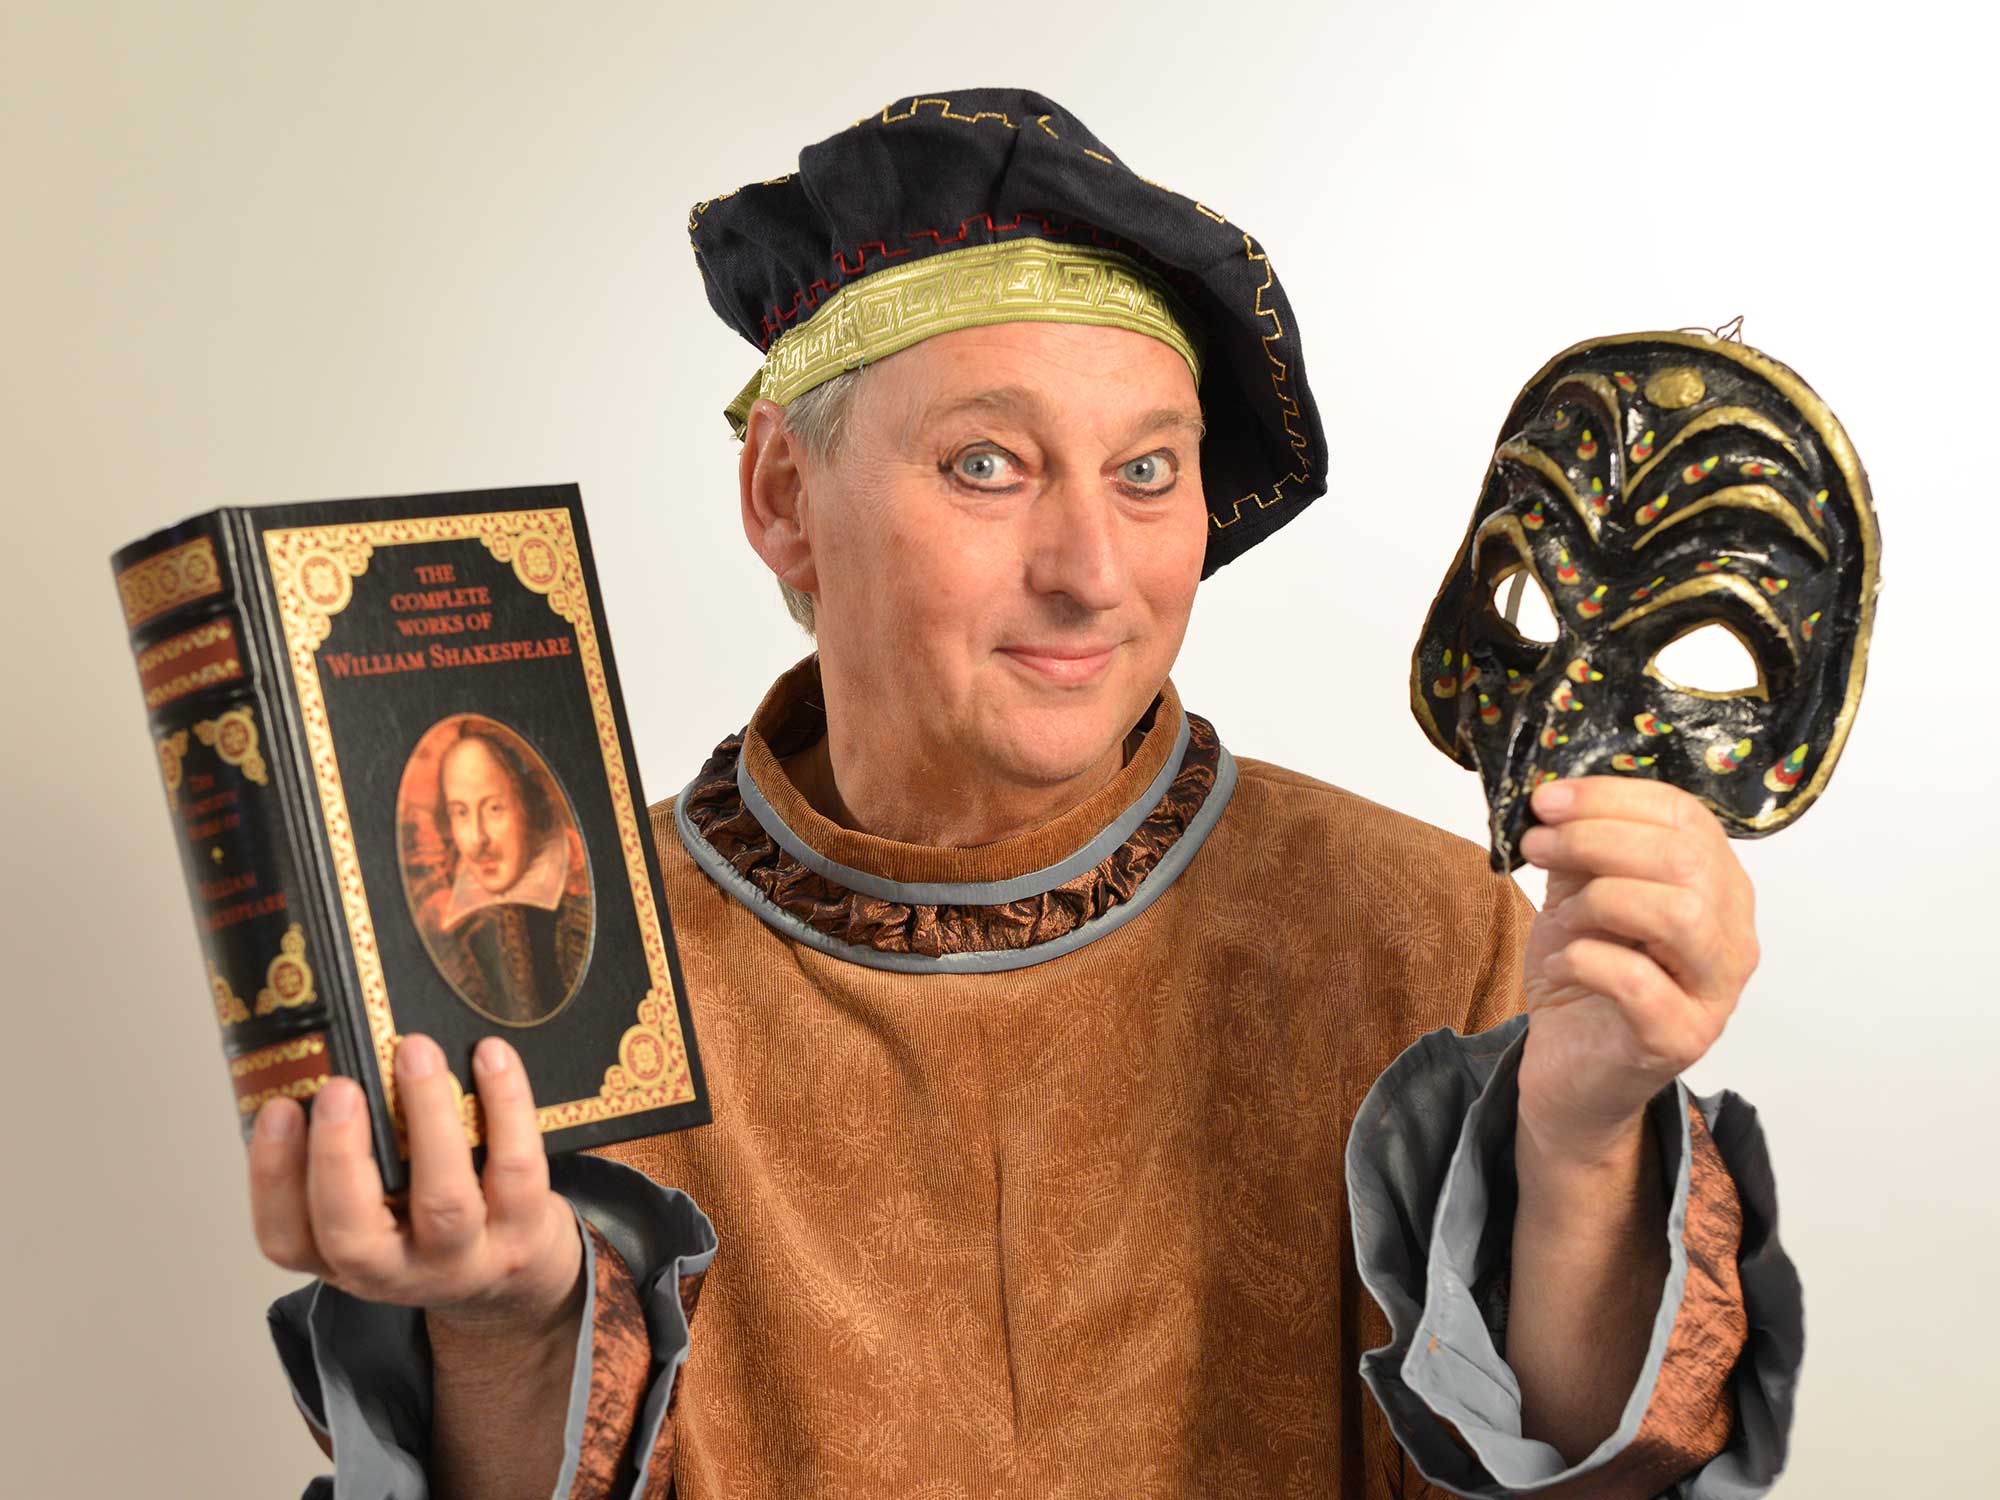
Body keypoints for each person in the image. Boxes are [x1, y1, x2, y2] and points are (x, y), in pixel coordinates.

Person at [249, 90, 1800, 1499]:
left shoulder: (1424, 927)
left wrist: (1585, 1143)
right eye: (987, 464)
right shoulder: (571, 992)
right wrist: (506, 1332)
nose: (1091, 573)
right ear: (784, 496)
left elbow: (1582, 1482)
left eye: (1148, 471)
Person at [416, 719, 591, 1024]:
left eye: (494, 808)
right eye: (460, 812)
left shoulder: (579, 907)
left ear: (528, 805)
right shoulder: (451, 932)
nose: (477, 839)